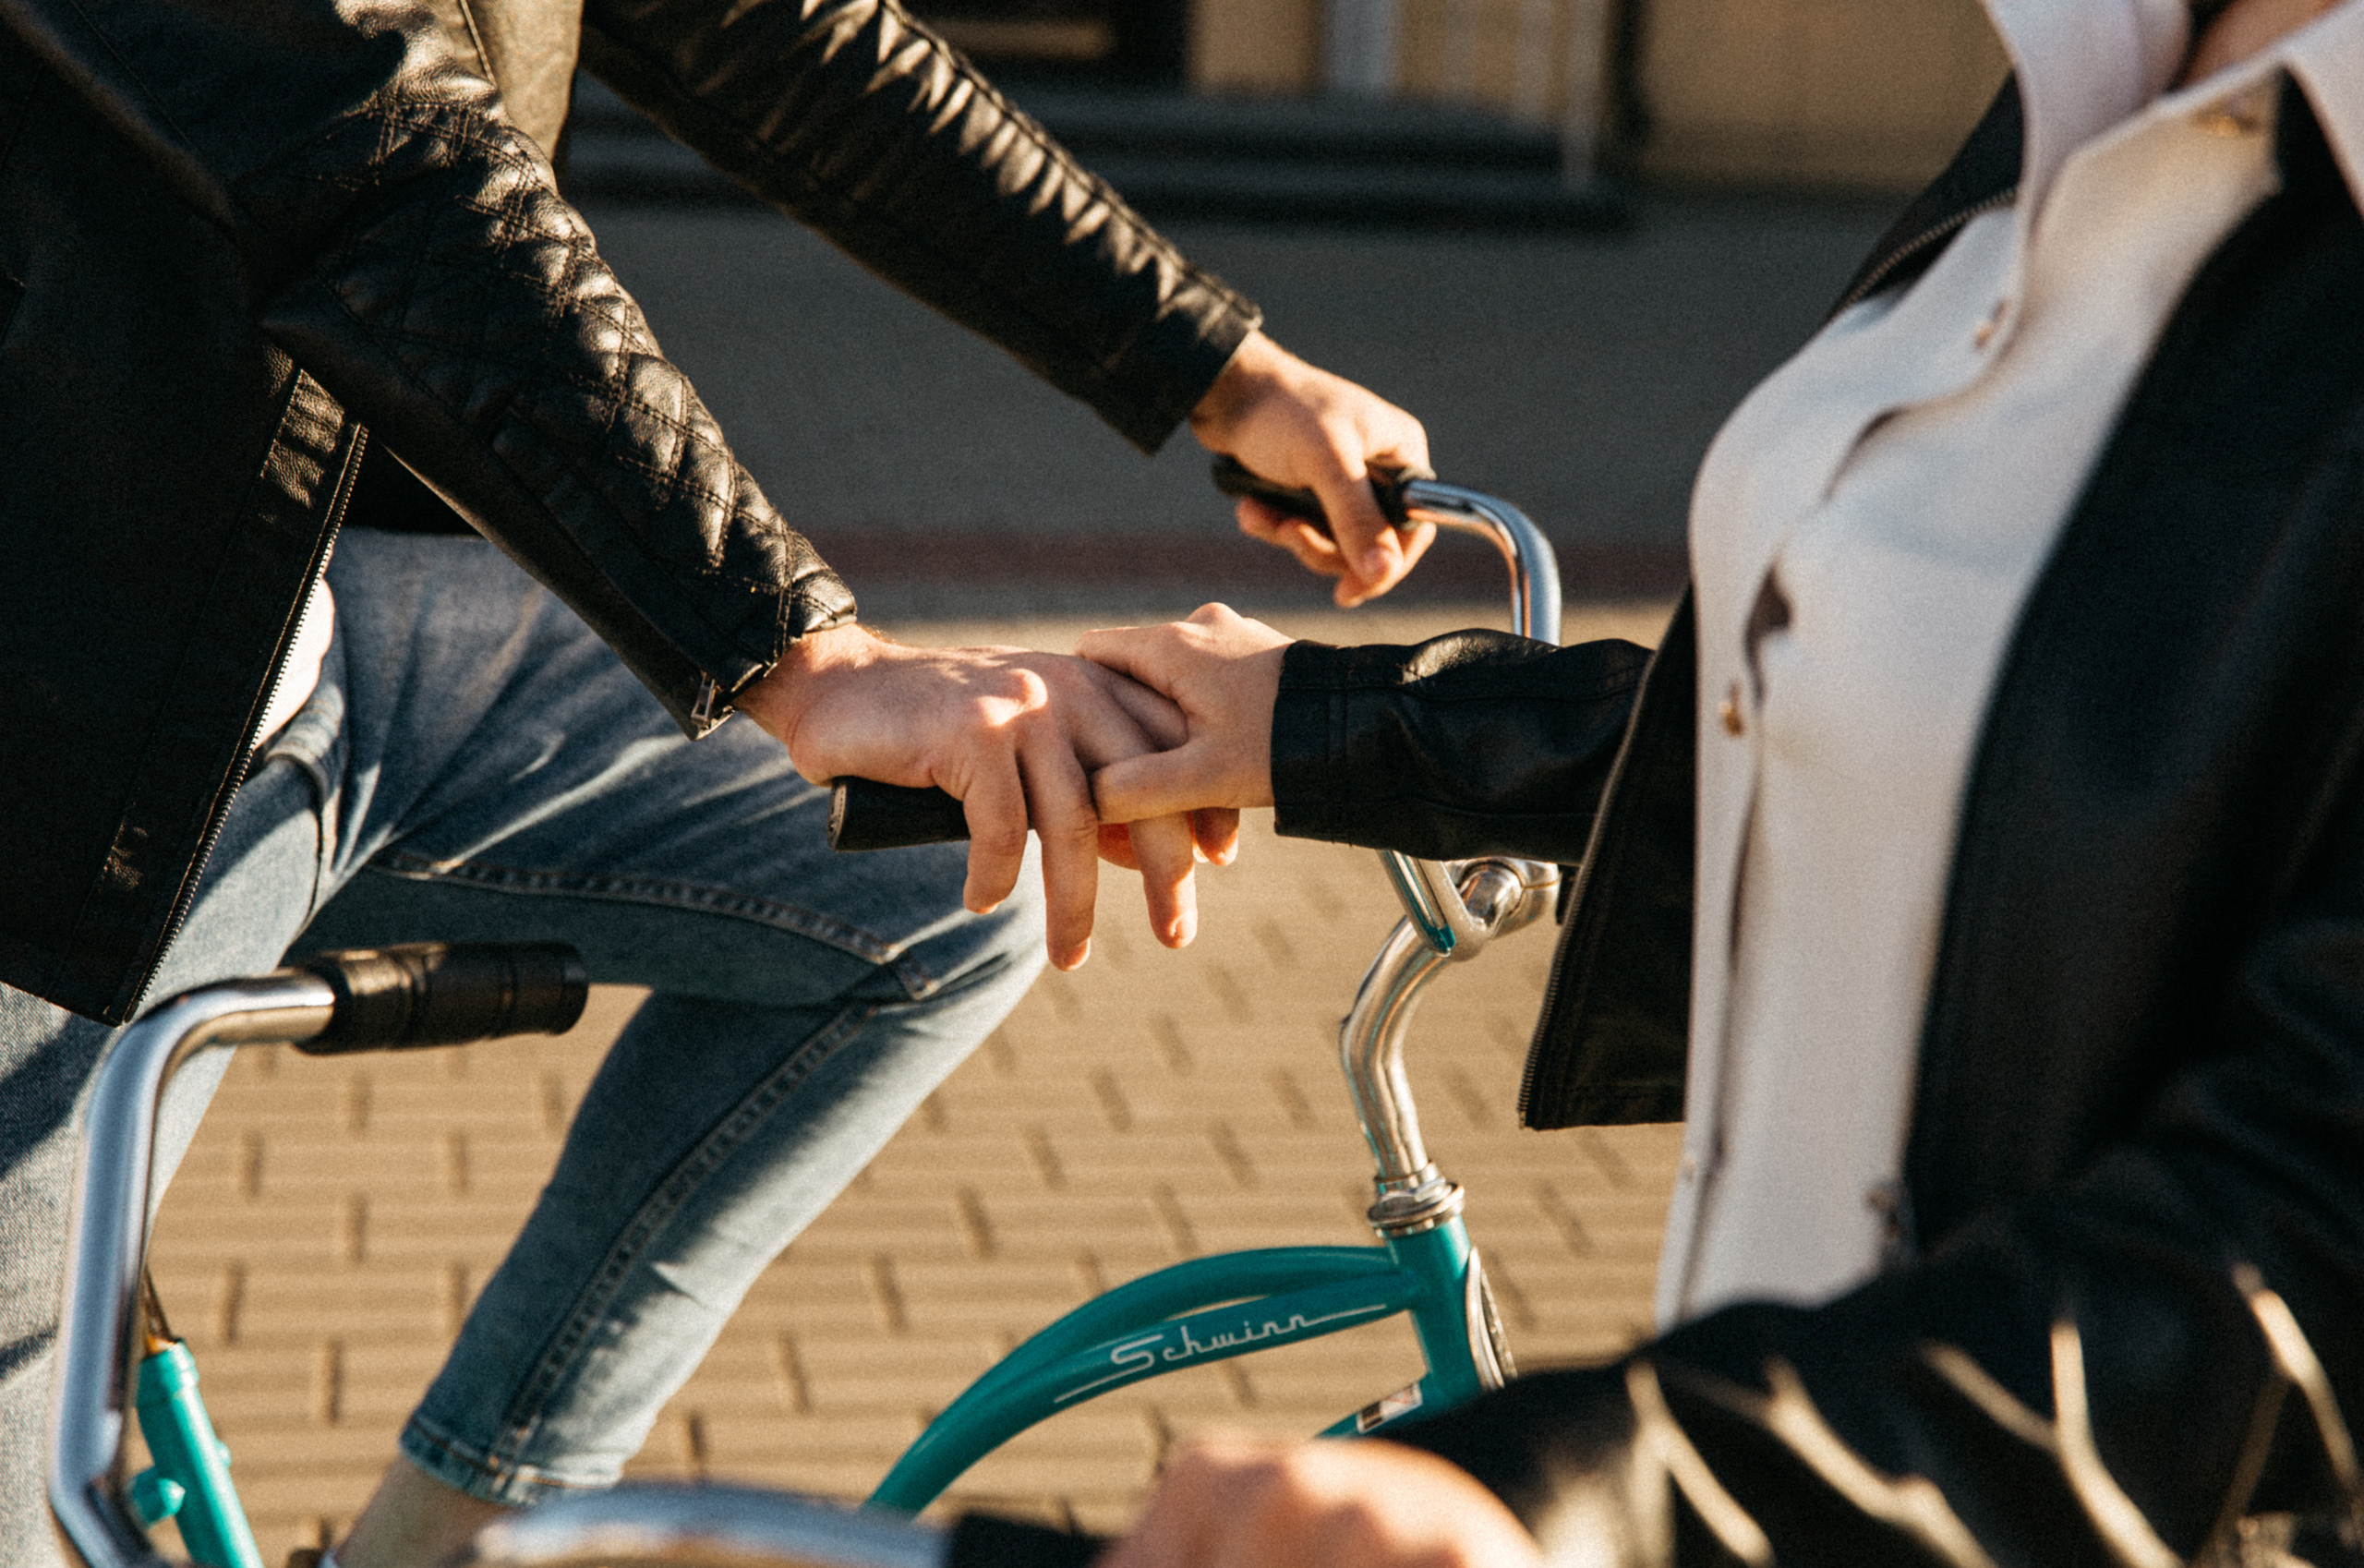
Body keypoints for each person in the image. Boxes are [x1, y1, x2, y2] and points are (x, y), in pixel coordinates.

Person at [0, 2, 1431, 1563]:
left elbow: (771, 30)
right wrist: (804, 654)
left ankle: (453, 1536)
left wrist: (1217, 367)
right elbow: (370, 144)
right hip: (63, 708)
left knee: (949, 862)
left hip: (334, 615)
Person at [1079, 0, 2364, 1562]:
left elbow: (2309, 1233)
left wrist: (1589, 1491)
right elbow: (1873, 706)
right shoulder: (2084, 79)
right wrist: (1329, 718)